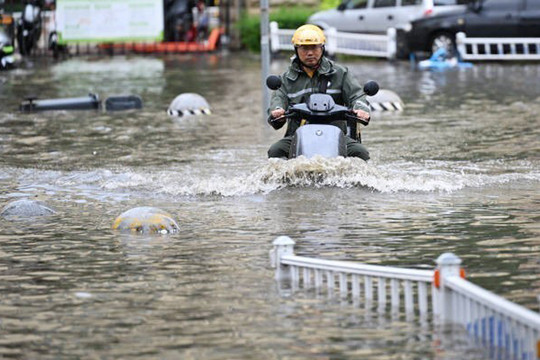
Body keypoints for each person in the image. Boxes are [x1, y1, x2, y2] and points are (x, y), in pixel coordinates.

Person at [267, 24, 371, 160]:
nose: (310, 53)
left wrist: (360, 109)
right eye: (304, 48)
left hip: (336, 135)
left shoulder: (340, 73)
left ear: (322, 48)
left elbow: (357, 95)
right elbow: (278, 100)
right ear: (296, 50)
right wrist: (277, 112)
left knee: (360, 152)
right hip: (297, 136)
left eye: (314, 47)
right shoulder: (286, 79)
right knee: (275, 151)